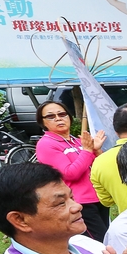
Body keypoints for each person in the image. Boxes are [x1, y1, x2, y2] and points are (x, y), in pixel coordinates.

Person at [34, 99, 108, 240]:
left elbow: (101, 166)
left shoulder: (78, 140)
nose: (58, 118)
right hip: (79, 202)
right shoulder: (46, 144)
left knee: (107, 237)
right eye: (51, 116)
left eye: (62, 114)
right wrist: (87, 150)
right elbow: (70, 173)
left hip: (99, 198)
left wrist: (96, 150)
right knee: (100, 243)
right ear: (43, 122)